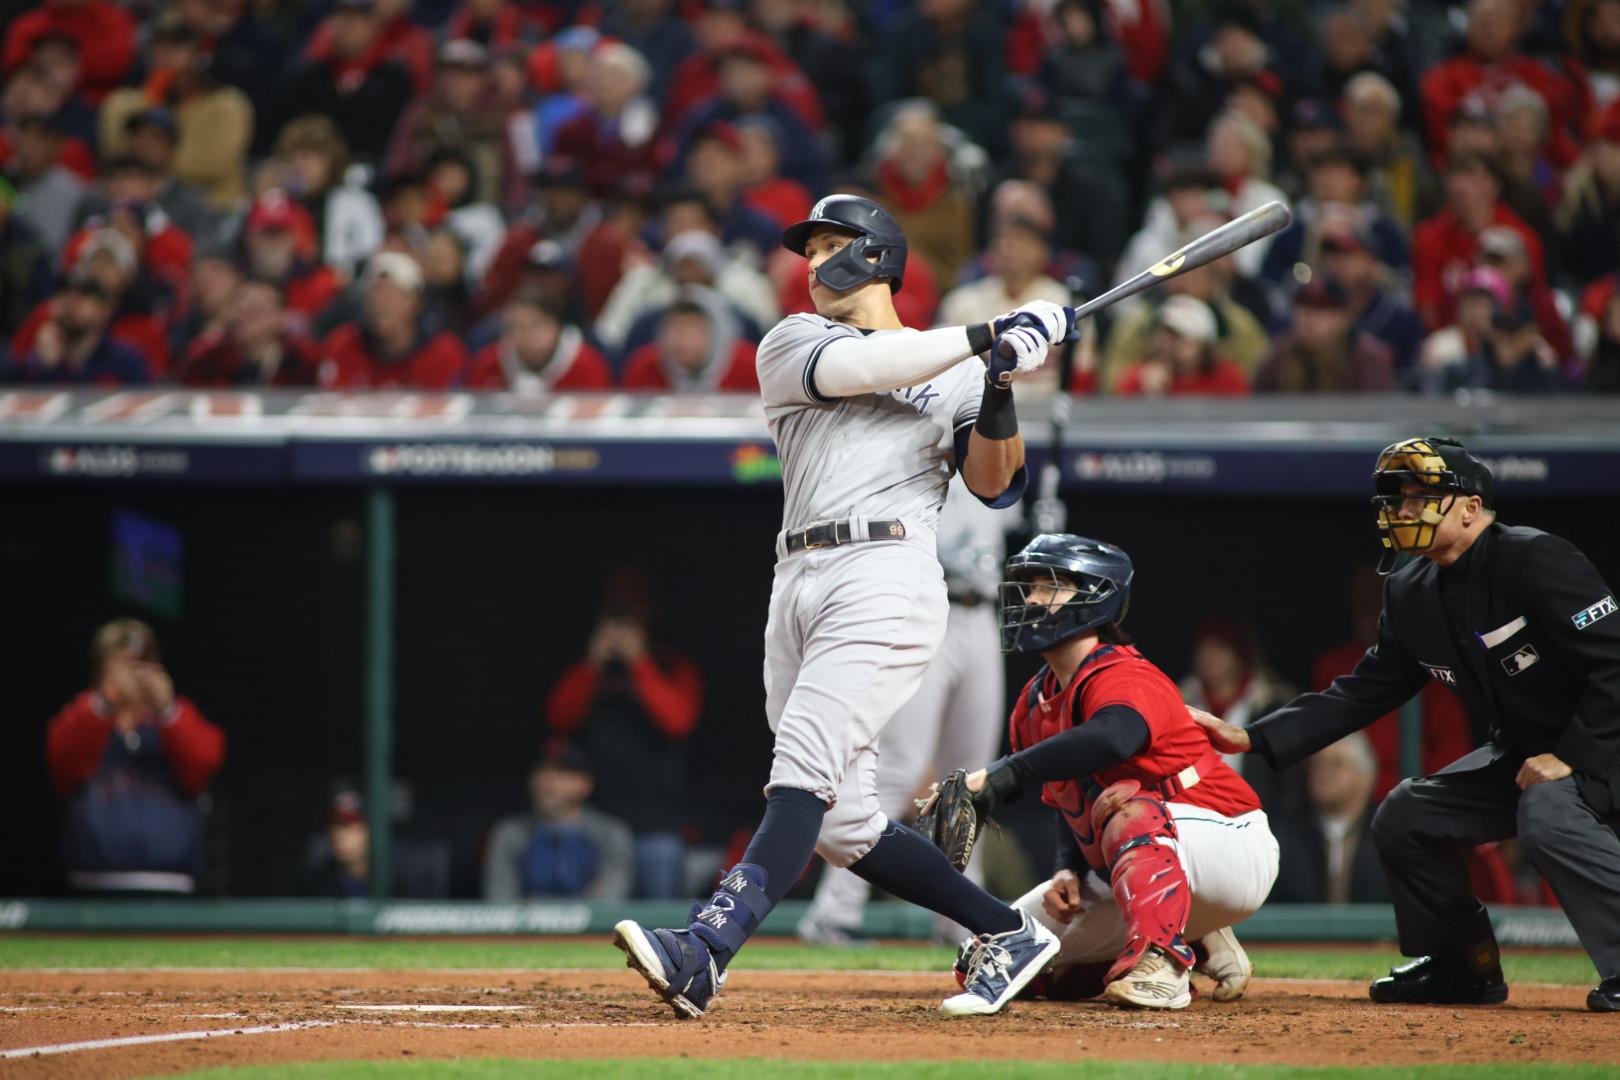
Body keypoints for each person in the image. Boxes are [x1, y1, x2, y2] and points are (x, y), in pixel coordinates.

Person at [611, 194, 1072, 1019]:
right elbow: (867, 369)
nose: (813, 262)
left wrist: (1000, 380)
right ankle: (1008, 932)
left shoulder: (963, 365)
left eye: (831, 245)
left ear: (878, 256)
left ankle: (706, 948)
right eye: (810, 248)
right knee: (842, 818)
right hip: (799, 576)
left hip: (889, 572)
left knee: (803, 771)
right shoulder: (794, 339)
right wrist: (985, 337)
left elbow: (996, 484)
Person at [1192, 437, 1620, 1013]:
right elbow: (1366, 689)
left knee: (1546, 808)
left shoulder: (1533, 557)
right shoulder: (1410, 588)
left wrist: (1573, 753)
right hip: (1526, 755)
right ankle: (1461, 967)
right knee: (1408, 812)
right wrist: (1256, 735)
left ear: (1470, 508)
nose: (1401, 511)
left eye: (1419, 498)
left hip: (1600, 740)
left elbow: (1615, 661)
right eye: (1395, 500)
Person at [930, 535, 1277, 1010]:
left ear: (1096, 596)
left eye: (1047, 587)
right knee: (992, 958)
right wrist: (1065, 869)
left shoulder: (1123, 672)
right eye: (1027, 587)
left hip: (1230, 845)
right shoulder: (1034, 702)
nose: (1030, 599)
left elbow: (1112, 736)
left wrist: (1001, 775)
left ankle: (1166, 963)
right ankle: (1197, 942)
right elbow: (1066, 799)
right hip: (1140, 862)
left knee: (1128, 810)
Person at [798, 480, 1011, 944]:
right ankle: (832, 914)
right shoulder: (918, 445)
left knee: (971, 780)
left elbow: (1004, 511)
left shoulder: (994, 452)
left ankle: (962, 922)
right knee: (900, 766)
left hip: (982, 615)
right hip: (925, 608)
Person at [547, 570, 702, 899]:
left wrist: (639, 661)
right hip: (594, 822)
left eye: (627, 621)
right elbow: (559, 718)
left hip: (655, 824)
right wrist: (592, 664)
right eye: (613, 621)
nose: (618, 632)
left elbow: (679, 722)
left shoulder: (668, 665)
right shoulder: (591, 671)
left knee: (661, 924)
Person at [45, 619, 225, 894]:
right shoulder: (83, 718)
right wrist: (105, 702)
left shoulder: (176, 720)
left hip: (170, 887)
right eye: (123, 664)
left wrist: (167, 710)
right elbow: (62, 761)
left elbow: (204, 764)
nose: (136, 674)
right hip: (90, 889)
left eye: (144, 663)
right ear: (101, 670)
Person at [483, 746, 634, 902]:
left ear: (585, 785)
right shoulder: (511, 832)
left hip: (590, 927)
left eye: (560, 773)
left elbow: (609, 903)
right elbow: (500, 903)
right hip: (525, 926)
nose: (547, 781)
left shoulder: (610, 832)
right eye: (540, 771)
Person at [1269, 734, 1391, 904]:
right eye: (1316, 764)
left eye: (1336, 763)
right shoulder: (1284, 835)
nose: (1323, 771)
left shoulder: (1388, 834)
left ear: (1366, 777)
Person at [318, 252, 468, 389]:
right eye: (374, 293)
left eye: (391, 294)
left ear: (415, 302)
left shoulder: (442, 353)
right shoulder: (344, 346)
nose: (380, 303)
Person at [177, 278, 323, 388]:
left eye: (258, 311)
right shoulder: (207, 359)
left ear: (281, 317)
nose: (247, 318)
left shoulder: (303, 361)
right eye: (243, 310)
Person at [465, 292, 613, 393]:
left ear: (555, 327)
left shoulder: (587, 365)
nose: (525, 335)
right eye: (516, 326)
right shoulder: (487, 364)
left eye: (535, 325)